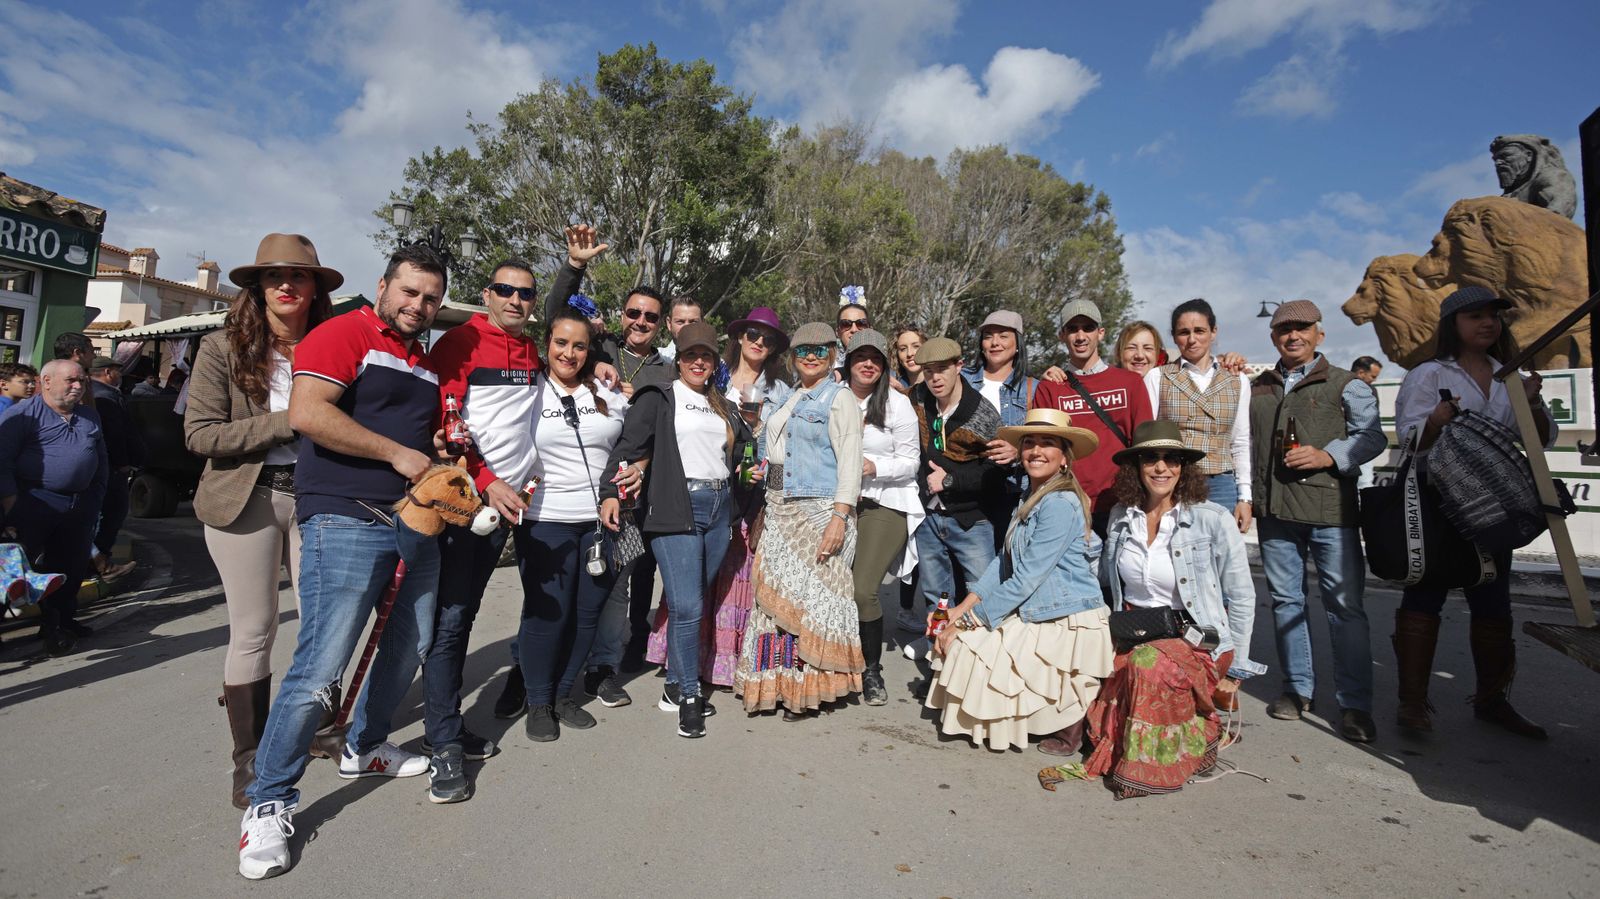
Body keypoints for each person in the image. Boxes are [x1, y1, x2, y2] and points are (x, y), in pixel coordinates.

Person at [236, 244, 451, 880]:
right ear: (382, 286)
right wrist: (399, 455)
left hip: (414, 520)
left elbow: (409, 430)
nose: (419, 306)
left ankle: (364, 744)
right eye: (409, 292)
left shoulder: (422, 360)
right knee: (321, 665)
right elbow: (307, 415)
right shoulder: (344, 332)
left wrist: (431, 445)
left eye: (430, 297)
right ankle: (267, 801)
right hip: (345, 515)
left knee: (410, 642)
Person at [185, 233, 338, 808]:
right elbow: (199, 435)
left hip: (320, 498)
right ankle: (249, 758)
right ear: (256, 287)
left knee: (325, 623)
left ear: (314, 288)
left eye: (299, 276)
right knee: (254, 628)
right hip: (242, 499)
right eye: (274, 276)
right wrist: (285, 421)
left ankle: (317, 729)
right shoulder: (220, 349)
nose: (286, 285)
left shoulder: (333, 346)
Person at [1391, 286, 1555, 740]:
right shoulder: (1427, 374)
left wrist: (1533, 400)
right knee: (1425, 597)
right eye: (1475, 316)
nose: (1487, 324)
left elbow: (1540, 440)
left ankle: (1492, 701)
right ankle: (1412, 704)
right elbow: (1407, 441)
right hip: (1439, 503)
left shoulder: (1512, 379)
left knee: (1493, 602)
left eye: (1493, 317)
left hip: (1494, 507)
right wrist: (1437, 419)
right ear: (1453, 326)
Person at [1084, 420, 1265, 799]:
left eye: (1172, 459)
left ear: (1184, 467)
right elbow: (1102, 576)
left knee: (1148, 665)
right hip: (1134, 628)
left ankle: (1151, 770)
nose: (1162, 467)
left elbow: (1242, 595)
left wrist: (1239, 670)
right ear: (1137, 466)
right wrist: (1085, 534)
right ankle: (1192, 731)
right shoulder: (1121, 515)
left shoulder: (1212, 518)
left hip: (1196, 639)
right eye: (1151, 458)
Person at [421, 258, 547, 800]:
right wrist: (488, 479)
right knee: (448, 623)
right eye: (505, 290)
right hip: (463, 503)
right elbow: (446, 430)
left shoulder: (531, 350)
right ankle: (442, 744)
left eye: (525, 293)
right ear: (486, 294)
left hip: (505, 508)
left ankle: (443, 727)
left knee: (463, 615)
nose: (515, 300)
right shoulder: (459, 342)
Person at [927, 407, 1112, 752]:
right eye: (1030, 443)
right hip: (1037, 606)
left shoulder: (1060, 503)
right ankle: (1035, 717)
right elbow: (1004, 562)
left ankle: (1070, 720)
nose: (1036, 451)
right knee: (962, 643)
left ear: (1064, 458)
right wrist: (962, 608)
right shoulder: (1032, 495)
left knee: (969, 646)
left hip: (1065, 615)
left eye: (1047, 444)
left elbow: (1025, 579)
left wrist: (969, 621)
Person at [600, 322, 752, 738]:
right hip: (675, 507)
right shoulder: (660, 397)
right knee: (687, 607)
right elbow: (628, 449)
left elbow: (739, 453)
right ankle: (688, 695)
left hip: (720, 509)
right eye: (690, 356)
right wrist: (609, 492)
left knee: (695, 603)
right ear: (678, 360)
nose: (698, 362)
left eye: (706, 356)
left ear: (715, 362)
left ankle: (671, 685)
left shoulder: (724, 405)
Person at [1248, 300, 1385, 743]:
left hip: (1331, 514)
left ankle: (1355, 706)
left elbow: (1373, 435)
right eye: (1284, 329)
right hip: (1276, 514)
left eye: (1302, 328)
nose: (1293, 336)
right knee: (1287, 604)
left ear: (1318, 335)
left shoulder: (1346, 384)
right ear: (1273, 338)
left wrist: (1330, 455)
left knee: (1345, 610)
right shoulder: (1259, 386)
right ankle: (1297, 690)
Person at [639, 307, 791, 685]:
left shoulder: (782, 390)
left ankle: (715, 667)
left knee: (726, 585)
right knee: (689, 593)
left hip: (745, 491)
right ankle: (686, 676)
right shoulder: (714, 382)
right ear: (739, 338)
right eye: (752, 334)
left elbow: (781, 446)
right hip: (694, 495)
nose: (759, 342)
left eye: (767, 338)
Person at [736, 321, 865, 719]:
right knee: (777, 601)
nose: (811, 356)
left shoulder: (839, 398)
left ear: (832, 355)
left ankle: (808, 690)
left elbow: (851, 464)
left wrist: (840, 518)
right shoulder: (790, 397)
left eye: (820, 350)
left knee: (812, 604)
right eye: (803, 351)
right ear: (792, 358)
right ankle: (776, 684)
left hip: (821, 511)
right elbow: (777, 450)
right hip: (779, 505)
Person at [517, 306, 629, 743]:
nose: (569, 352)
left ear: (590, 350)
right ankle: (539, 701)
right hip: (546, 520)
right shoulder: (528, 390)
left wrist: (633, 470)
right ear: (546, 343)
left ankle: (564, 694)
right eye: (561, 342)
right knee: (547, 615)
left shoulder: (608, 391)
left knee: (586, 616)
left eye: (579, 345)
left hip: (603, 522)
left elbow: (631, 444)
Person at [0, 359, 106, 656]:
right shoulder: (23, 416)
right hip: (34, 503)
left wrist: (96, 496)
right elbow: (2, 461)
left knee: (69, 568)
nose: (78, 386)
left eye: (82, 381)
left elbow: (101, 460)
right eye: (71, 380)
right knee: (15, 573)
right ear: (46, 382)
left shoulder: (88, 417)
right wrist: (11, 503)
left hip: (79, 505)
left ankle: (60, 624)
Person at [843, 328, 920, 705]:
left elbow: (911, 462)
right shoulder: (835, 398)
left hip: (886, 502)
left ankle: (871, 670)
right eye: (860, 357)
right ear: (849, 362)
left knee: (863, 588)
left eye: (875, 358)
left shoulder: (896, 404)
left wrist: (876, 466)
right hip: (840, 503)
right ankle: (836, 661)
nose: (868, 364)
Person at [1032, 300, 1152, 538]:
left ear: (1100, 333)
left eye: (1087, 327)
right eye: (1072, 329)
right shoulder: (1050, 388)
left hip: (1122, 503)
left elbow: (1144, 445)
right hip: (1070, 504)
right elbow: (1042, 450)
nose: (1080, 336)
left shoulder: (1130, 383)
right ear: (1062, 336)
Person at [907, 337, 1004, 628]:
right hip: (928, 517)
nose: (935, 378)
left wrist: (950, 480)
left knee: (981, 593)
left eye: (942, 369)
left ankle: (980, 659)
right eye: (928, 371)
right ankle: (939, 657)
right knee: (935, 595)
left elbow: (995, 472)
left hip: (971, 520)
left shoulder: (983, 413)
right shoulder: (917, 399)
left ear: (959, 366)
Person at [1144, 298, 1253, 534]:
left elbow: (1241, 441)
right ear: (1174, 337)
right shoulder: (1158, 377)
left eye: (1200, 331)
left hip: (1222, 481)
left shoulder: (1237, 379)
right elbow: (1148, 438)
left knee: (1220, 553)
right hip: (1174, 480)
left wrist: (1245, 496)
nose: (1192, 339)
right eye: (1184, 332)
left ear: (1213, 332)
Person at [960, 311, 1031, 542]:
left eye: (1003, 336)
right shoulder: (961, 380)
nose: (995, 342)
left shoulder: (1033, 388)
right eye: (988, 336)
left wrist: (1019, 452)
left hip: (1012, 491)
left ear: (1018, 344)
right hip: (966, 491)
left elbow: (1044, 440)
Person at [86, 355, 143, 579]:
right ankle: (99, 561)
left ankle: (97, 559)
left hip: (106, 465)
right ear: (109, 372)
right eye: (117, 371)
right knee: (112, 512)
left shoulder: (98, 395)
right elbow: (115, 434)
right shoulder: (105, 397)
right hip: (110, 467)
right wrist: (122, 463)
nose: (120, 375)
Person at [1350, 356, 1386, 489]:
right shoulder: (1338, 387)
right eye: (1372, 376)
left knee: (1364, 484)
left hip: (1362, 443)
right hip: (1346, 444)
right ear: (1360, 373)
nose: (1374, 380)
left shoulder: (1371, 390)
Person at [658, 294, 703, 363]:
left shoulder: (715, 365)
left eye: (693, 322)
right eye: (680, 322)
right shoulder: (657, 358)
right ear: (669, 324)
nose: (686, 327)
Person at [892, 326, 926, 391]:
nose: (909, 354)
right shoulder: (892, 389)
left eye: (916, 346)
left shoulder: (939, 386)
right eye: (903, 349)